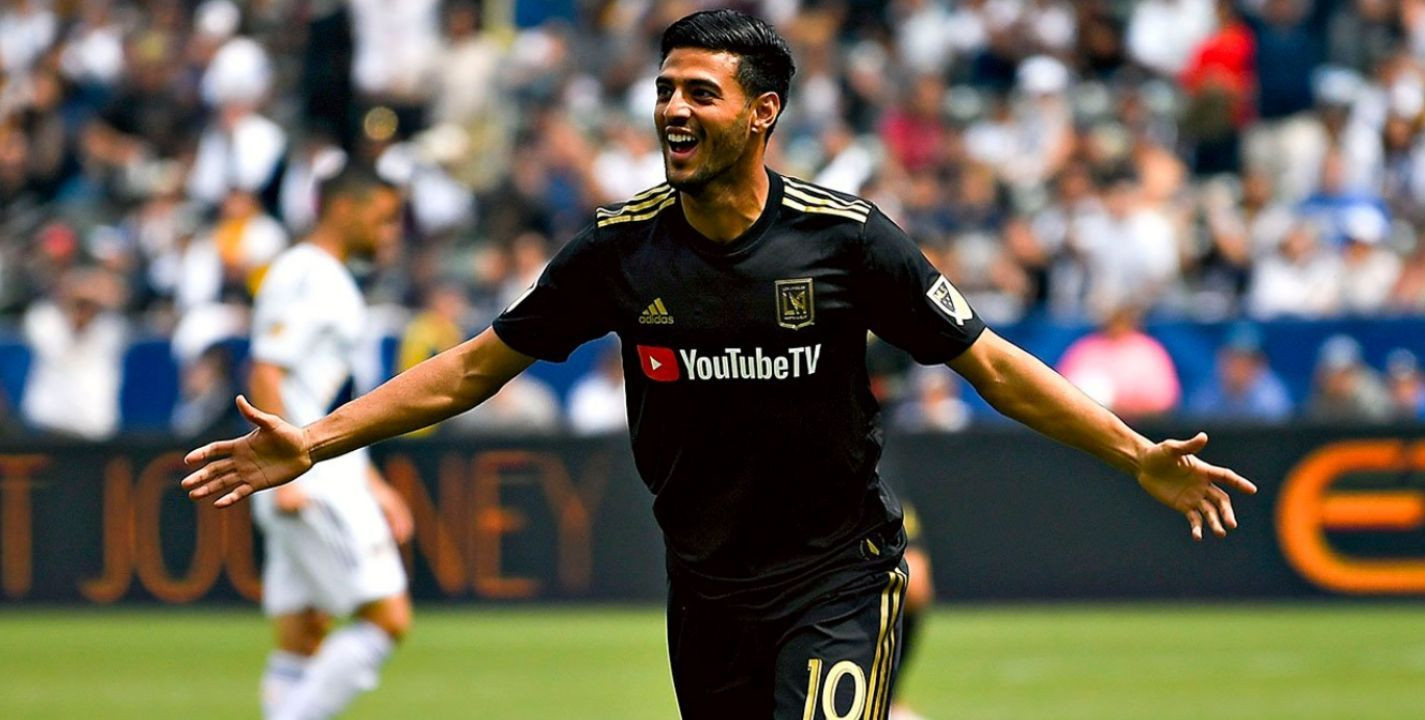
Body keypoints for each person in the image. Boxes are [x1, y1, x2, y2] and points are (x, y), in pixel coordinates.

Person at [182, 11, 1255, 719]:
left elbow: (992, 364)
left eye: (700, 92)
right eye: (665, 90)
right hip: (704, 588)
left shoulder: (848, 240)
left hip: (839, 577)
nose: (673, 111)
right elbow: (472, 369)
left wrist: (1131, 455)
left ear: (763, 112)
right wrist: (315, 440)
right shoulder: (619, 248)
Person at [244, 165, 415, 720]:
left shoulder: (332, 278)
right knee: (388, 618)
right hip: (310, 480)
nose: (390, 232)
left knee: (302, 633)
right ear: (344, 207)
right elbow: (268, 370)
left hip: (322, 474)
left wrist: (375, 484)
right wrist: (285, 474)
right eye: (383, 217)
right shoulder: (305, 273)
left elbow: (331, 399)